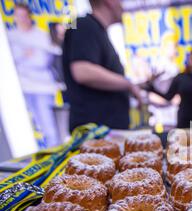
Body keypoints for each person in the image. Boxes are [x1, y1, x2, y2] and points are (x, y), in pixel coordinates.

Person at [62, 0, 143, 132]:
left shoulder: (96, 30)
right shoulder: (83, 24)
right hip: (96, 135)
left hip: (105, 133)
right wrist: (128, 84)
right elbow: (82, 71)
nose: (122, 5)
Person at [8, 3, 60, 147]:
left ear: (30, 16)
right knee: (21, 129)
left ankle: (53, 160)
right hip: (19, 89)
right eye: (18, 16)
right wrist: (25, 54)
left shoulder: (41, 35)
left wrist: (21, 56)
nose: (22, 19)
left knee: (49, 129)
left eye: (25, 16)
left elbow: (41, 62)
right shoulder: (10, 36)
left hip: (42, 88)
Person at [146, 46, 192, 128]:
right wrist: (151, 88)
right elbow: (168, 96)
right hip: (186, 121)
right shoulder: (181, 78)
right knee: (188, 140)